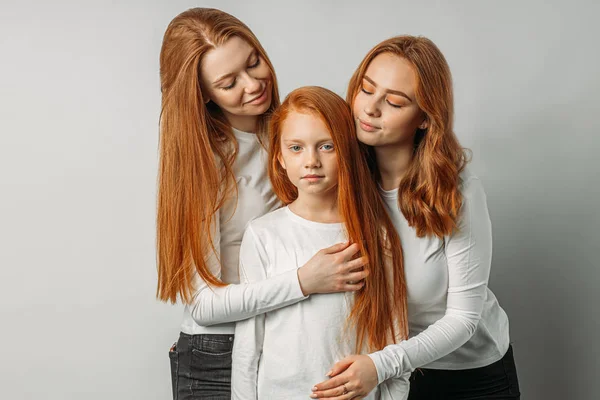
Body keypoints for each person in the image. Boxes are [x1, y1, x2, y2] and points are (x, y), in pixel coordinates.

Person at [156, 9, 369, 399]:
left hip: (292, 339)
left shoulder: (301, 132)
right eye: (228, 82)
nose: (253, 84)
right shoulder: (204, 165)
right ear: (202, 94)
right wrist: (304, 281)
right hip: (217, 353)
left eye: (254, 62)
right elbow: (203, 303)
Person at [312, 36, 521, 400]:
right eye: (366, 89)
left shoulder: (458, 191)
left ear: (424, 118)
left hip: (468, 374)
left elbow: (463, 320)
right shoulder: (339, 177)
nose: (370, 109)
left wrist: (380, 364)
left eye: (394, 101)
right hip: (386, 372)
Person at [232, 86, 410, 400]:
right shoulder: (263, 234)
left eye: (326, 146)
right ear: (280, 158)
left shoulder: (376, 232)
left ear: (348, 153)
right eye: (296, 148)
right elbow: (249, 344)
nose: (311, 161)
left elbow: (395, 334)